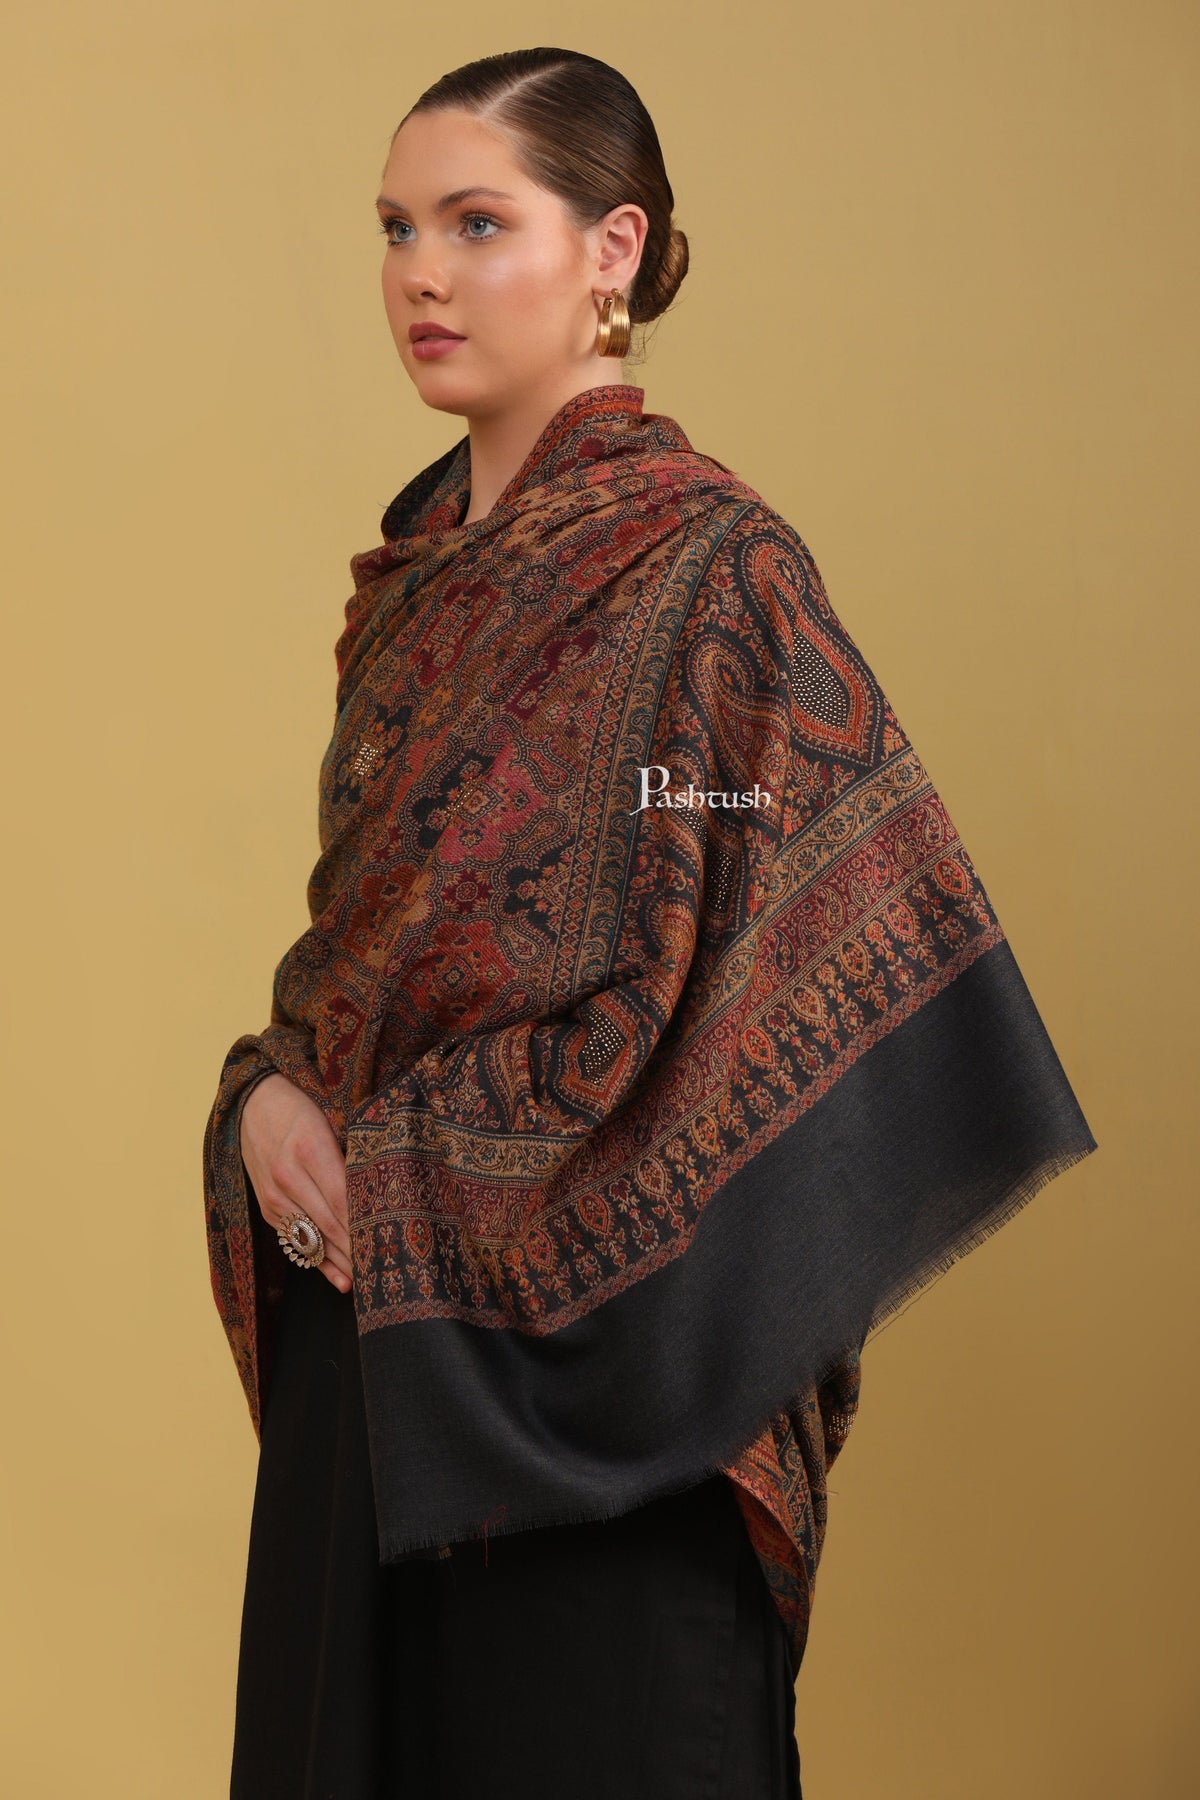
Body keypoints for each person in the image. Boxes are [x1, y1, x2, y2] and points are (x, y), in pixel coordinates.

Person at [202, 47, 1098, 1800]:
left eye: (478, 223)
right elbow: (361, 985)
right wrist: (263, 1104)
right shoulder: (410, 597)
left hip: (618, 1415)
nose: (422, 273)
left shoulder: (714, 577)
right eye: (396, 228)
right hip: (377, 1399)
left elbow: (758, 938)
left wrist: (415, 1166)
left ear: (611, 251)